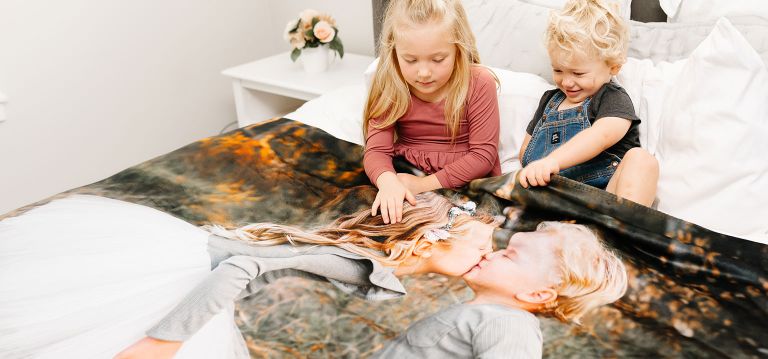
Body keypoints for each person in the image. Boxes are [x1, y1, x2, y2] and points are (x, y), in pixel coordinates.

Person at [0, 192, 494, 358]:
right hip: (193, 275)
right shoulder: (357, 260)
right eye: (482, 243)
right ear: (433, 237)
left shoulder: (374, 262)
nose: (487, 255)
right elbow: (241, 266)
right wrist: (162, 342)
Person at [373, 221, 628, 358]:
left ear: (536, 294)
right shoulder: (489, 316)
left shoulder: (510, 325)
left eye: (509, 256)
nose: (493, 253)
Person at [364, 0, 501, 224]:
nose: (424, 72)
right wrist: (389, 182)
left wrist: (421, 185)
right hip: (405, 173)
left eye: (438, 59)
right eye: (410, 60)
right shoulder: (390, 82)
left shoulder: (479, 82)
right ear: (394, 50)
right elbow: (376, 151)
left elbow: (483, 156)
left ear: (459, 49)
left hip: (467, 179)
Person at [517, 0, 658, 207]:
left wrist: (553, 161)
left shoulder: (610, 98)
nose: (566, 81)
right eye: (558, 70)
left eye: (578, 73)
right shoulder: (549, 101)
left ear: (613, 66)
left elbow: (600, 137)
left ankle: (621, 234)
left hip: (601, 207)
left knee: (642, 160)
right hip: (549, 201)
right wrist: (534, 171)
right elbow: (526, 153)